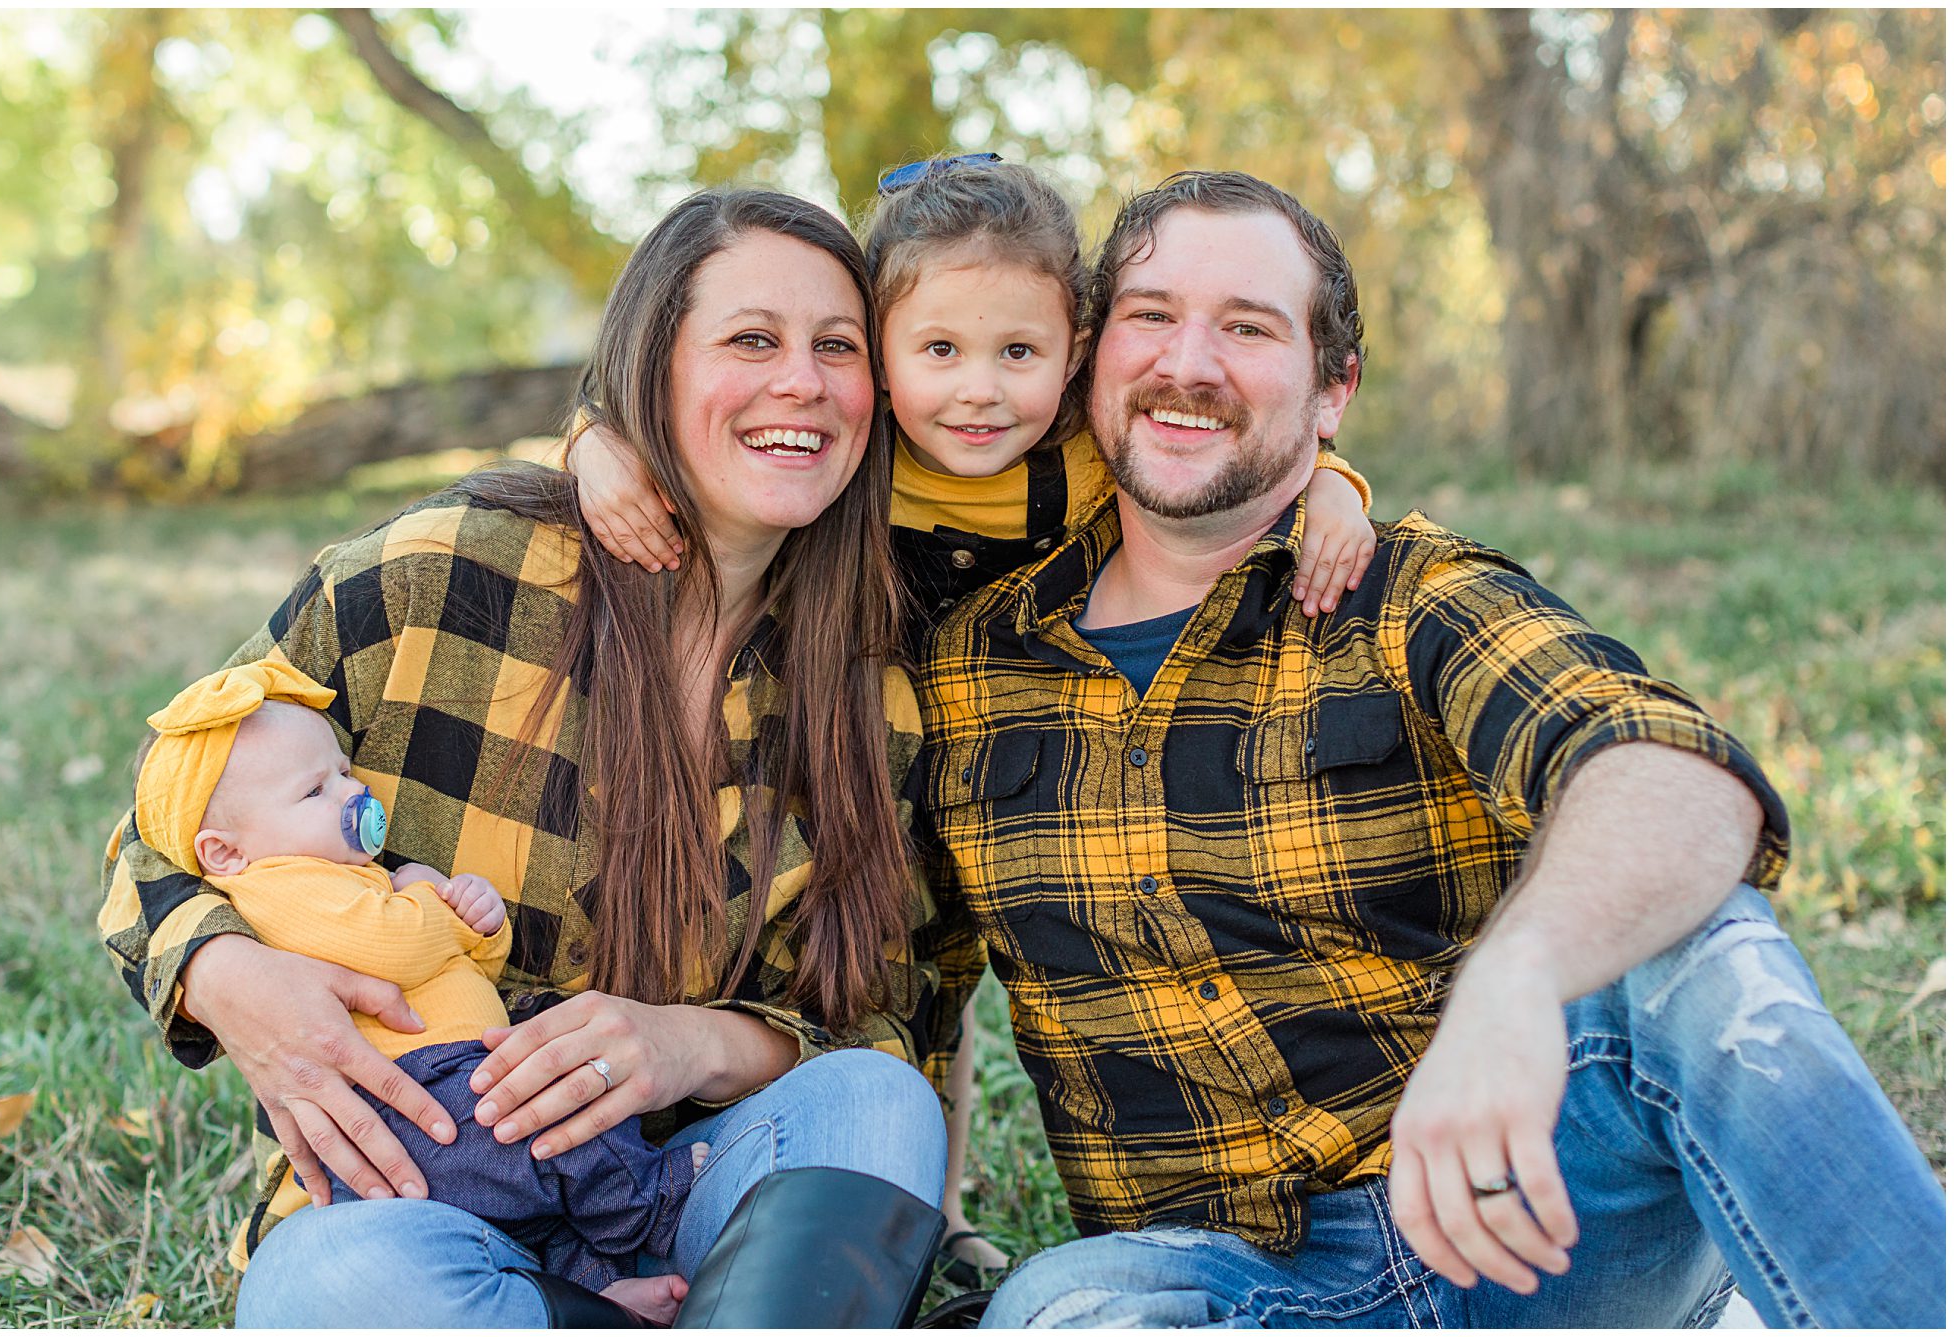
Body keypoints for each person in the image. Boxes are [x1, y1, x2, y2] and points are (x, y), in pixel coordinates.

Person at [915, 170, 1947, 1328]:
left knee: (1699, 955)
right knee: (1057, 1305)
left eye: (1247, 327)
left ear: (1331, 389)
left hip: (1531, 1226)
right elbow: (910, 977)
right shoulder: (961, 666)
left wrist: (1516, 978)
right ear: (1092, 355)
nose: (1187, 362)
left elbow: (1666, 768)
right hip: (1225, 1283)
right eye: (1150, 315)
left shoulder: (1406, 595)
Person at [96, 187, 949, 1327]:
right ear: (651, 366)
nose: (799, 379)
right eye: (751, 338)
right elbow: (161, 823)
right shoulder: (444, 575)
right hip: (418, 1200)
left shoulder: (867, 688)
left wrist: (676, 1043)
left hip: (670, 1193)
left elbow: (872, 1019)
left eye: (834, 348)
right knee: (329, 1287)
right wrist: (226, 974)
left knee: (876, 1101)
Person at [566, 156, 1380, 1275]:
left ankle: (939, 1213)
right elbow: (641, 415)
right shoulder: (853, 443)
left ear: (1076, 352)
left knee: (975, 957)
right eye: (938, 351)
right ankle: (892, 1195)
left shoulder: (1089, 458)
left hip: (1011, 732)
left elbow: (1249, 452)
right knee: (897, 963)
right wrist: (586, 443)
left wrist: (1336, 484)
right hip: (863, 721)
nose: (978, 393)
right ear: (881, 352)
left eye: (1019, 354)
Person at [130, 661, 706, 1318]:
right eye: (314, 791)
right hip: (412, 1094)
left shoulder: (353, 873)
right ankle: (661, 1203)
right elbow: (390, 943)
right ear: (225, 853)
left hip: (438, 1092)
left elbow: (466, 962)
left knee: (539, 1198)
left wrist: (474, 918)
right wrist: (433, 898)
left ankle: (591, 1298)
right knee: (557, 1121)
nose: (352, 793)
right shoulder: (274, 887)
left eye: (344, 771)